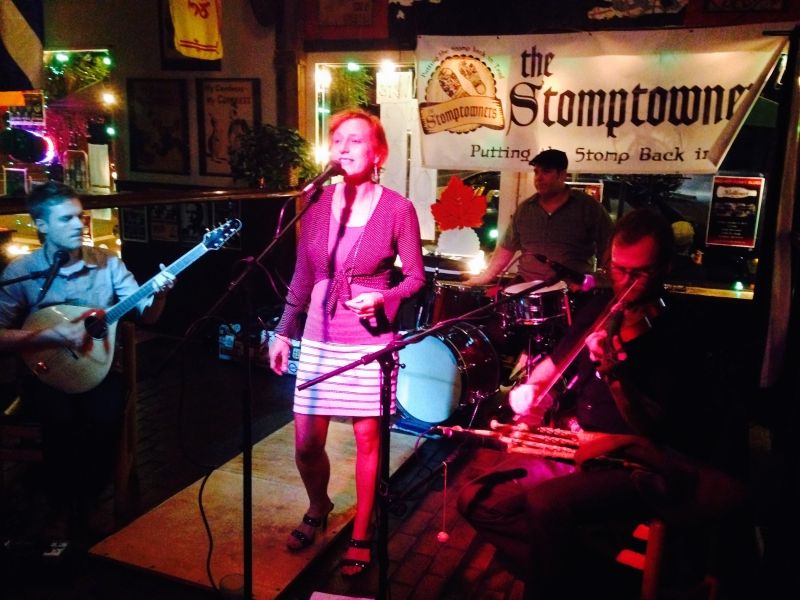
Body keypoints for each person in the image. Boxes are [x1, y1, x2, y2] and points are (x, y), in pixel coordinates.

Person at [457, 209, 747, 599]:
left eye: (639, 273)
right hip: (577, 443)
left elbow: (651, 428)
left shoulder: (679, 333)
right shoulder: (599, 307)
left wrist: (615, 379)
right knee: (477, 500)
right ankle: (582, 577)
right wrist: (533, 389)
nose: (625, 283)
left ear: (664, 268)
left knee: (545, 506)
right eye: (618, 269)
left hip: (633, 462)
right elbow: (555, 363)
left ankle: (558, 578)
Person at [268, 108, 425, 576]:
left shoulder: (397, 208)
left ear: (378, 154)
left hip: (368, 339)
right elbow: (303, 273)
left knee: (367, 440)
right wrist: (283, 330)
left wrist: (383, 297)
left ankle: (362, 529)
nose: (343, 147)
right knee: (305, 442)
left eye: (355, 140)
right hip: (319, 334)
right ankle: (319, 504)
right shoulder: (316, 204)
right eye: (337, 139)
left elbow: (415, 278)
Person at [0, 181, 175, 540]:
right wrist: (50, 337)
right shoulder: (22, 272)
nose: (79, 224)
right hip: (44, 373)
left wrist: (159, 294)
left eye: (80, 216)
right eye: (66, 219)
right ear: (41, 224)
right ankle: (61, 504)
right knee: (58, 419)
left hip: (99, 370)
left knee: (104, 417)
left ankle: (87, 499)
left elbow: (147, 315)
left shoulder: (107, 264)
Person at [465, 148, 612, 290]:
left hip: (571, 291)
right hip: (526, 288)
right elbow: (507, 247)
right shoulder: (525, 209)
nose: (539, 178)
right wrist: (486, 276)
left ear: (562, 174)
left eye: (546, 172)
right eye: (536, 172)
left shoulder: (588, 207)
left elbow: (610, 248)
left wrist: (598, 281)